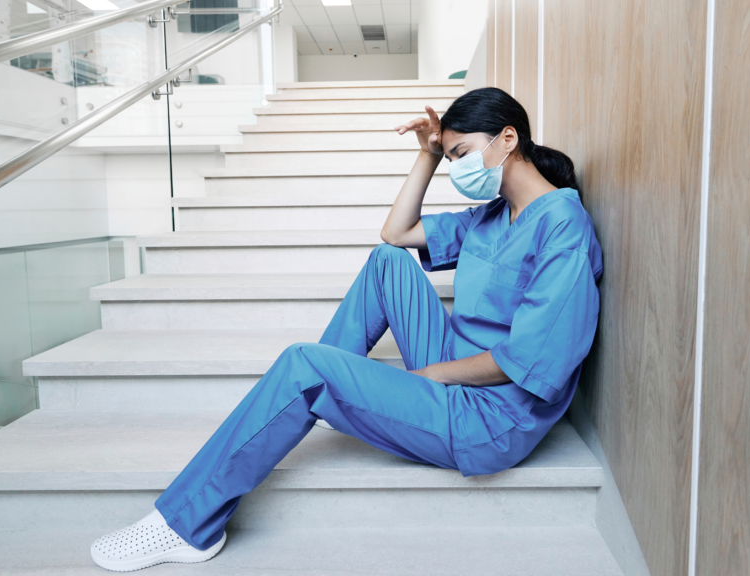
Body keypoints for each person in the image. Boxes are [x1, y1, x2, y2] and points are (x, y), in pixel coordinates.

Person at [89, 87, 603, 572]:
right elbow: (396, 233)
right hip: (457, 364)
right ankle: (326, 392)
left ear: (507, 139)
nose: (458, 169)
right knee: (388, 262)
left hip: (493, 415)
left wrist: (430, 376)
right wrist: (426, 153)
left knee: (303, 364)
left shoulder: (562, 225)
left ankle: (186, 525)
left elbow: (534, 360)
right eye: (451, 160)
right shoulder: (490, 216)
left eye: (461, 154)